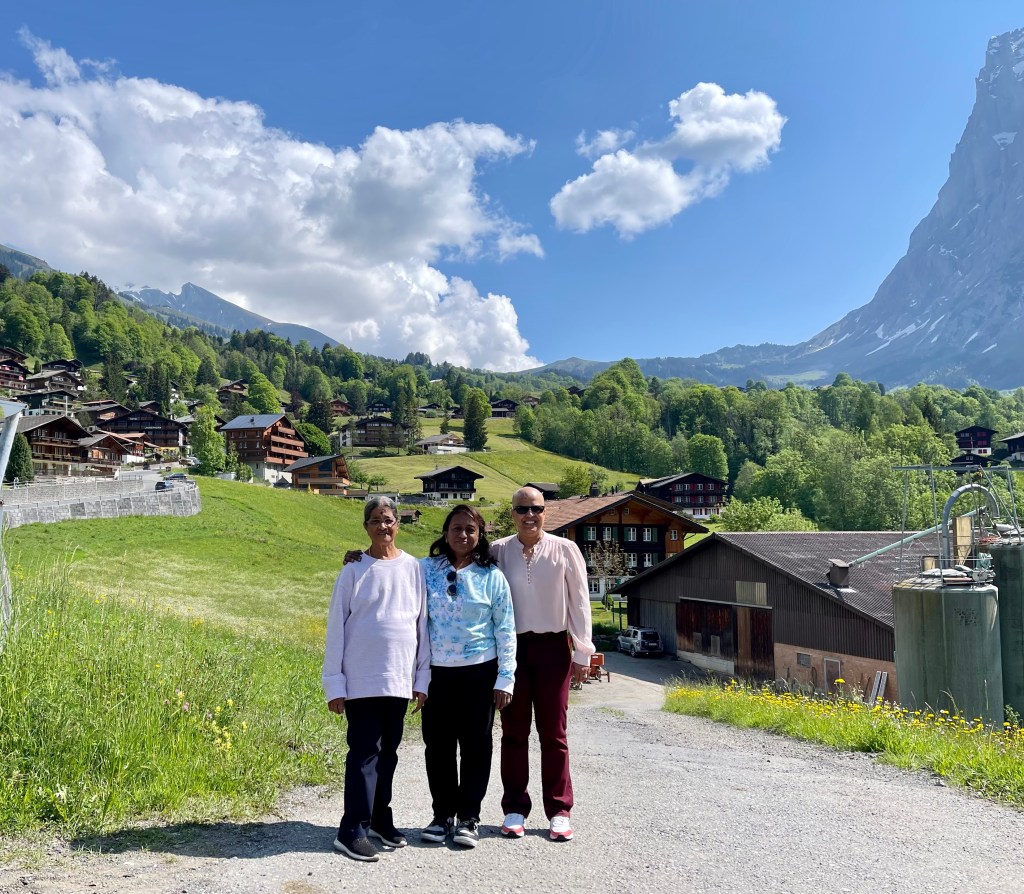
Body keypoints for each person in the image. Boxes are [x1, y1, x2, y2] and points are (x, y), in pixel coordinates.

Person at [322, 496, 430, 863]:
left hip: (399, 678)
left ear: (398, 524)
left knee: (389, 755)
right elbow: (336, 627)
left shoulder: (414, 568)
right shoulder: (353, 569)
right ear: (366, 527)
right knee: (365, 753)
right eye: (375, 520)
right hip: (362, 679)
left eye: (388, 520)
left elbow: (422, 625)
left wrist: (421, 679)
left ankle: (381, 819)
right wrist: (334, 684)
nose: (383, 526)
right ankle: (352, 829)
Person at [490, 486, 594, 842]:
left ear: (545, 512)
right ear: (512, 513)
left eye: (536, 509)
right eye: (522, 509)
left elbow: (580, 602)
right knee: (513, 733)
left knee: (554, 734)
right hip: (511, 650)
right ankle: (514, 808)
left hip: (554, 649)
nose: (529, 516)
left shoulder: (566, 549)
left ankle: (559, 810)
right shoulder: (498, 551)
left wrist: (583, 652)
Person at [418, 504, 516, 849]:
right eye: (457, 528)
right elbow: (389, 566)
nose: (463, 534)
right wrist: (357, 557)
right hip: (436, 673)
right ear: (445, 533)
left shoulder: (492, 576)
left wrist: (505, 678)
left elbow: (505, 629)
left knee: (476, 747)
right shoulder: (424, 569)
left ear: (480, 535)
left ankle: (469, 817)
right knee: (438, 747)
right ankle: (442, 815)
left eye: (470, 529)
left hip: (479, 672)